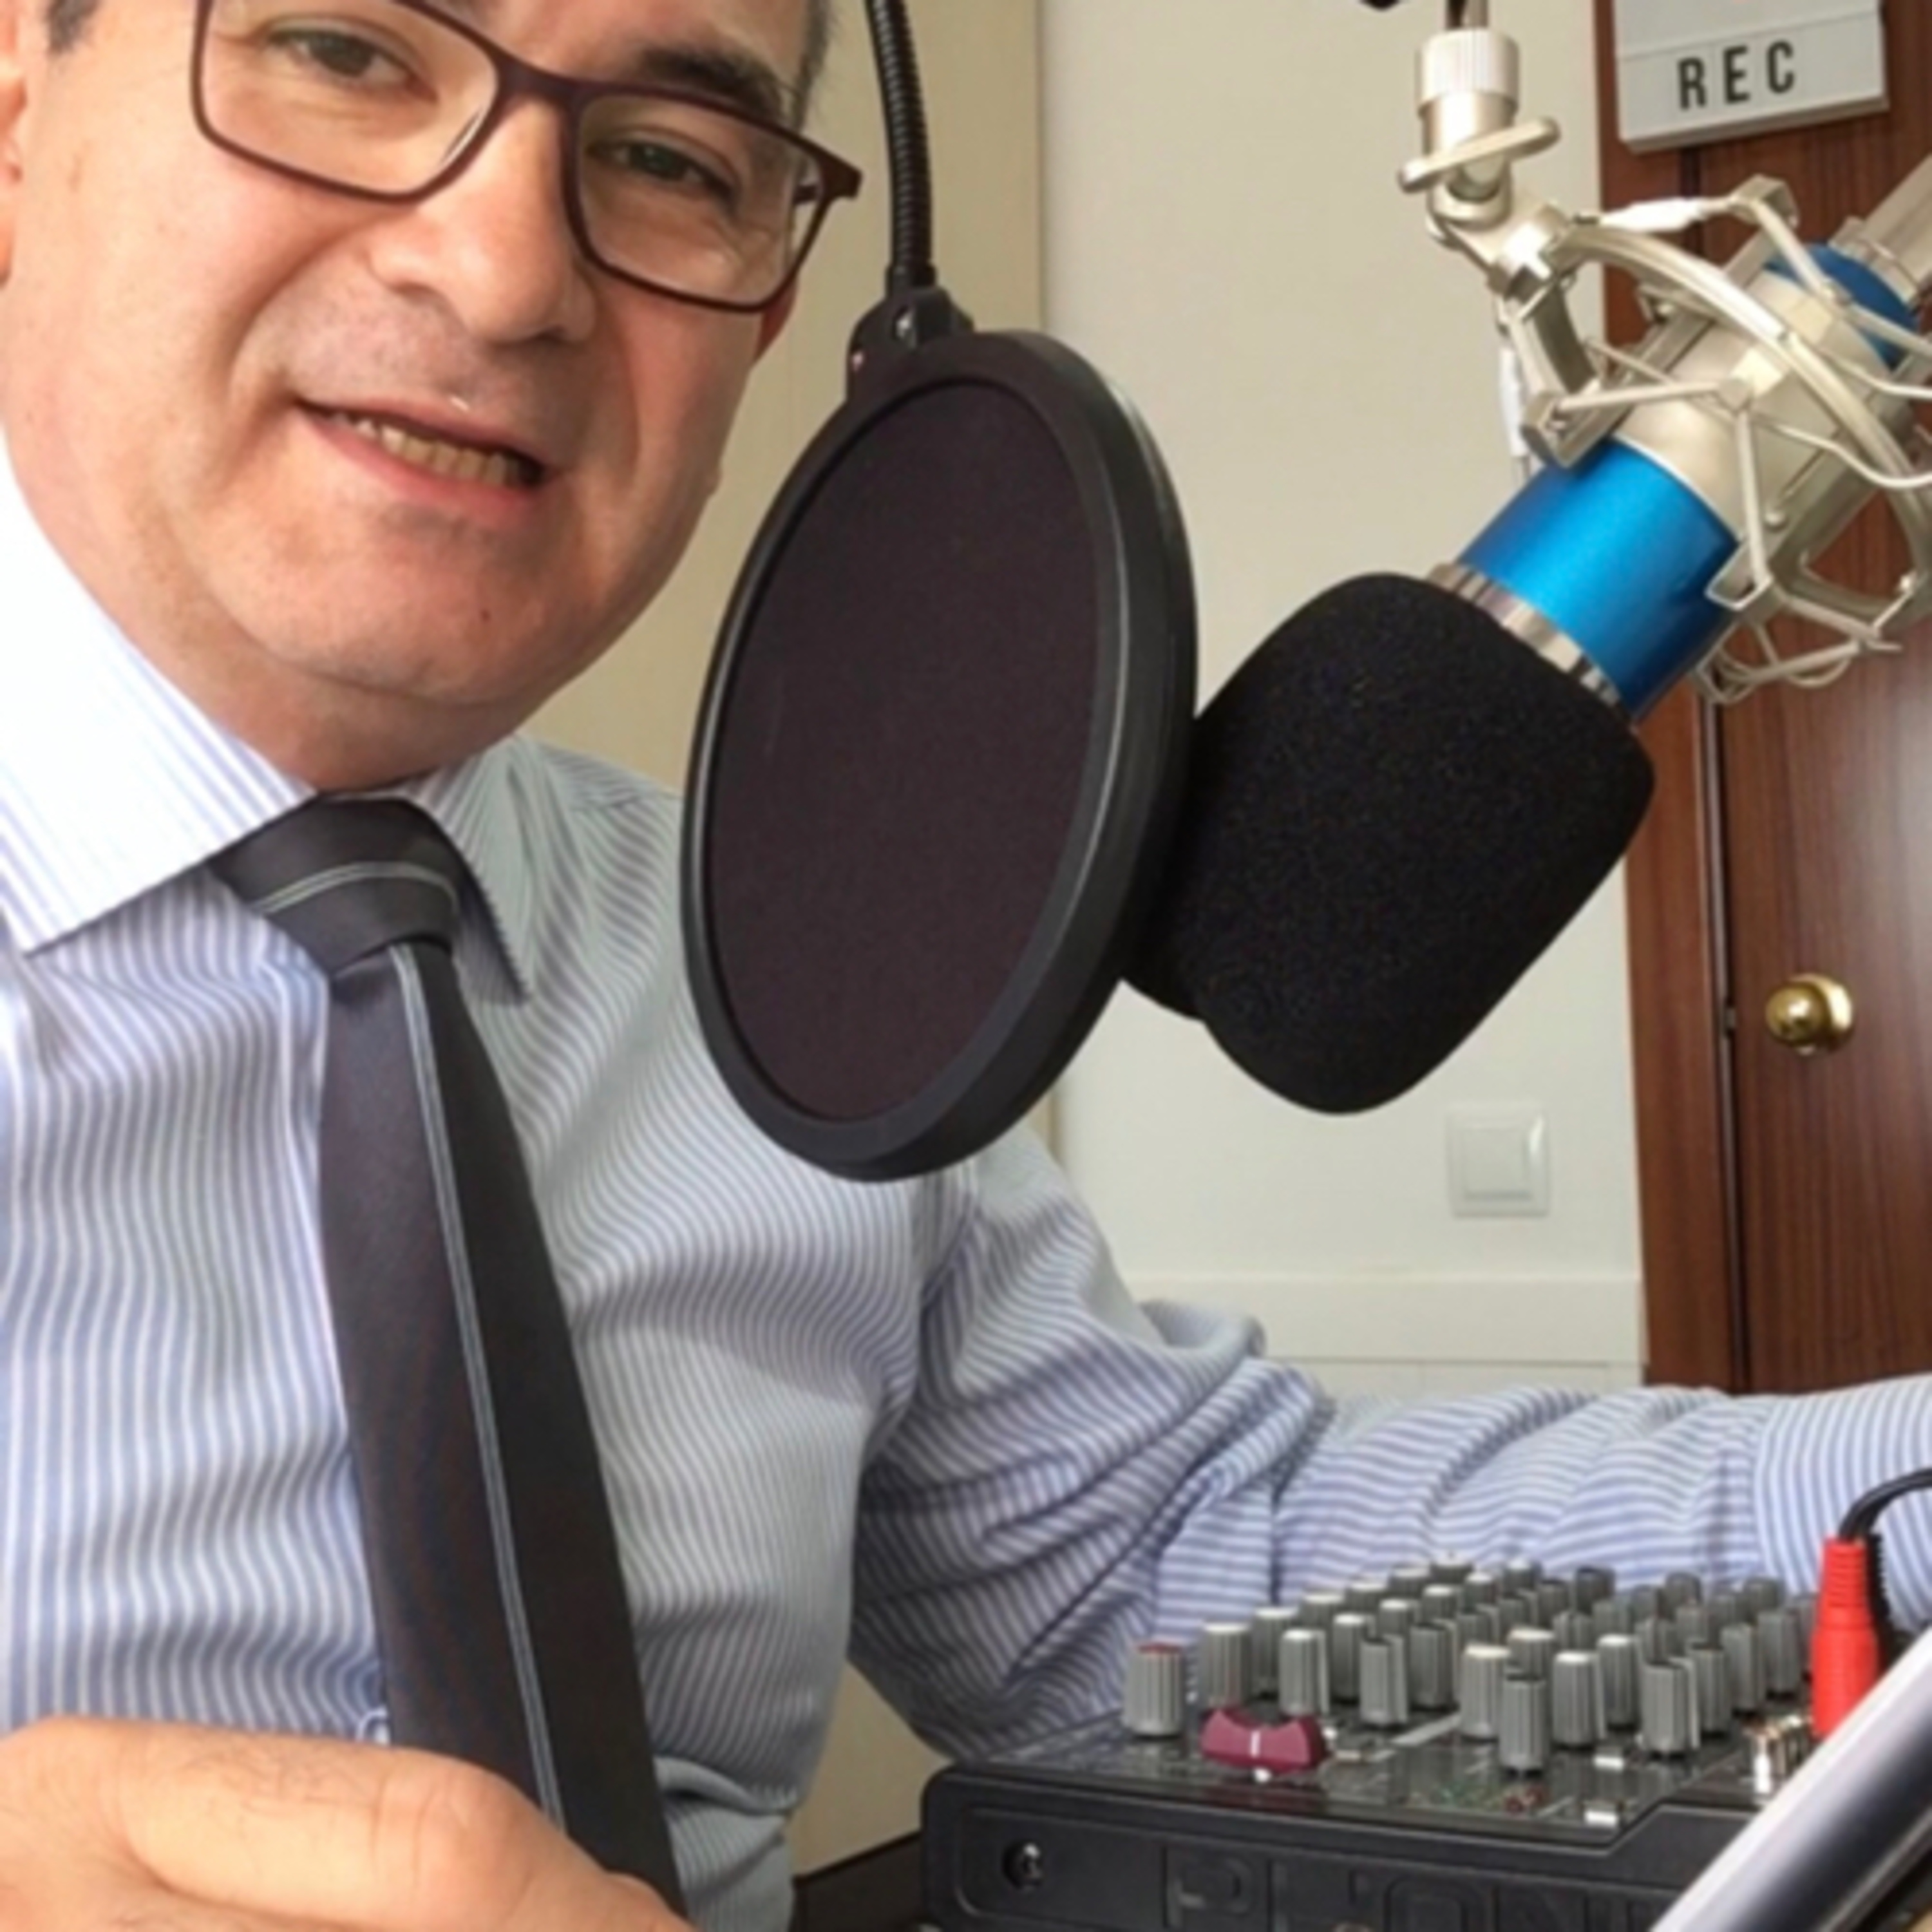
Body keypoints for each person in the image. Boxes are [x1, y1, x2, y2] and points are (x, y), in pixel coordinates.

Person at [1, 0, 1928, 1928]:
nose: (504, 274)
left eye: (669, 159)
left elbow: (1183, 1562)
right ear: (18, 104)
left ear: (776, 314)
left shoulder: (771, 978)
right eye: (344, 52)